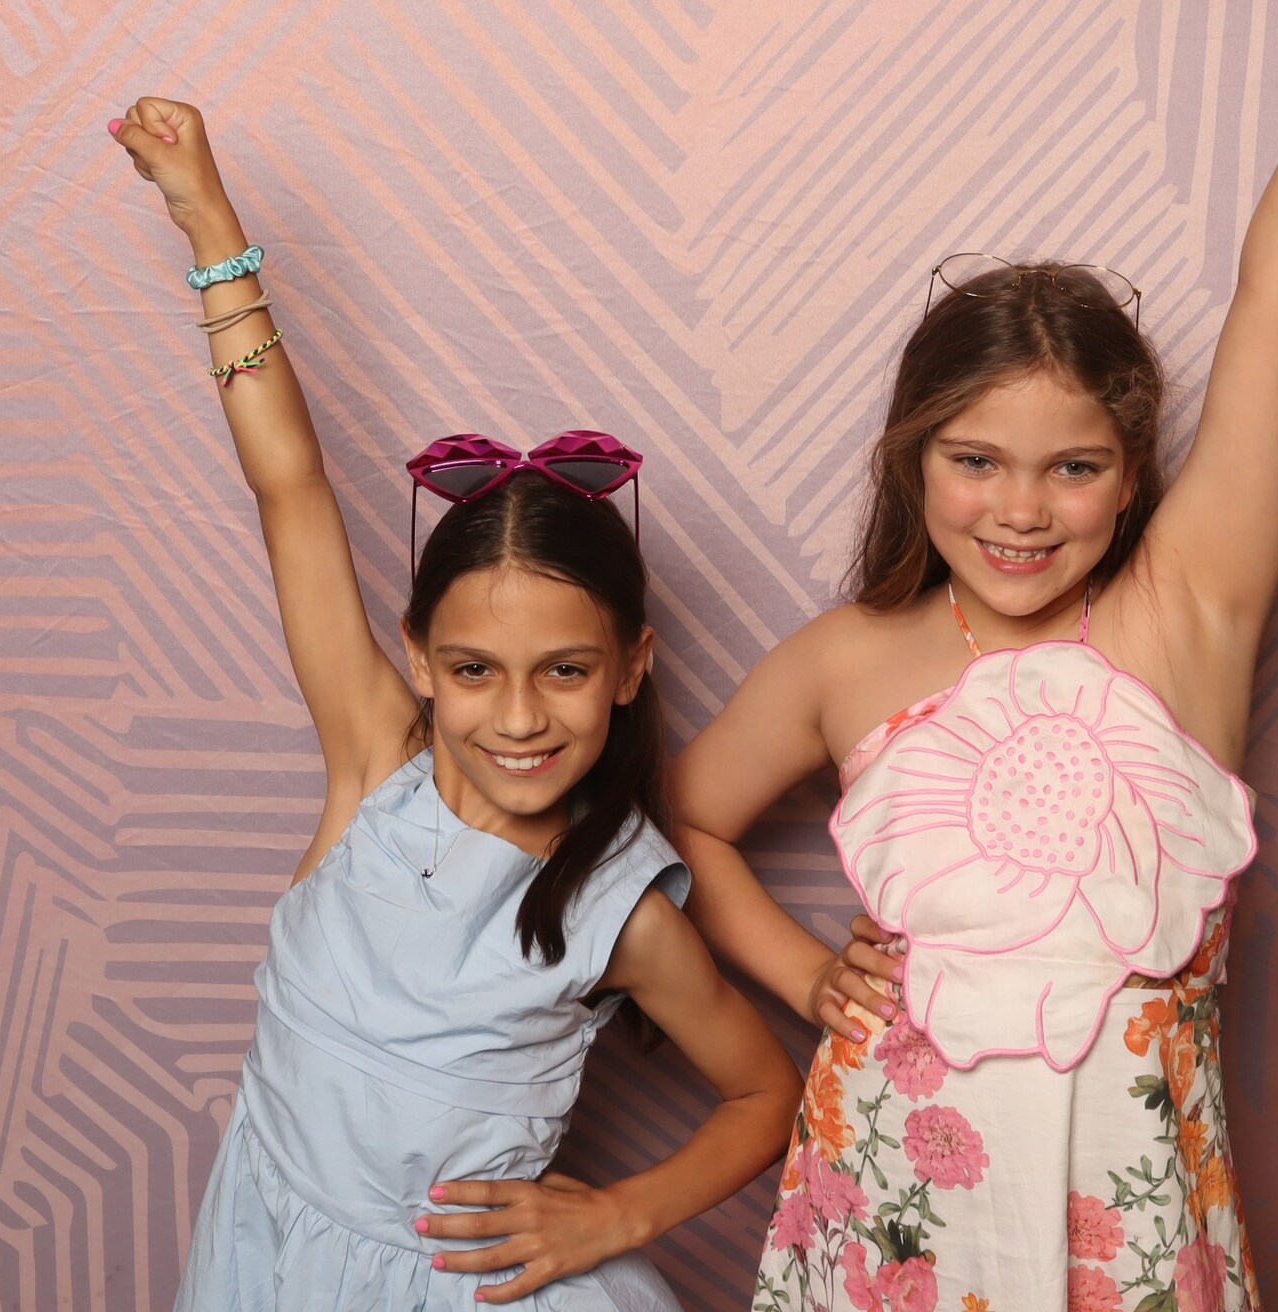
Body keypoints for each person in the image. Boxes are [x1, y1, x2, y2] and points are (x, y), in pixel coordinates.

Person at [669, 0, 1278, 1311]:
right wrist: (805, 975)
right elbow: (687, 816)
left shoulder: (1182, 616)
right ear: (914, 457)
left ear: (1135, 475)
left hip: (1124, 1233)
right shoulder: (846, 659)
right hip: (891, 1203)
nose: (1020, 511)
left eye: (1073, 467)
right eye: (976, 461)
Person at [108, 96, 799, 1309]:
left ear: (631, 666)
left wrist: (620, 1215)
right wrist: (209, 221)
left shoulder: (619, 910)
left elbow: (766, 1093)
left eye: (565, 671)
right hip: (267, 1261)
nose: (519, 718)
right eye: (476, 670)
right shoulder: (375, 764)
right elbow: (290, 488)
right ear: (420, 660)